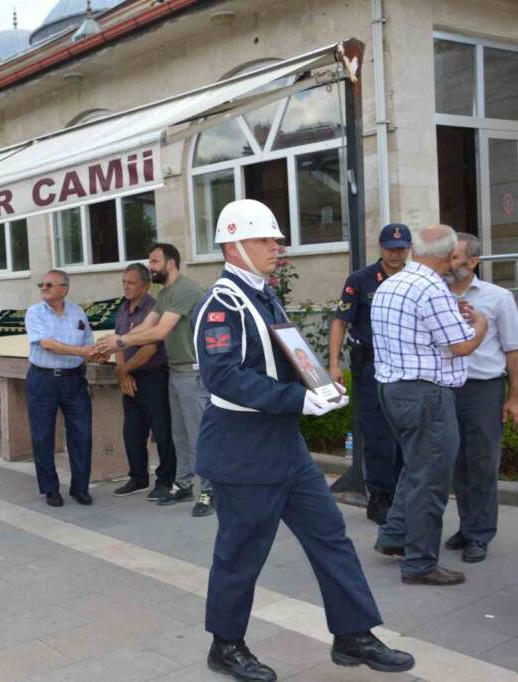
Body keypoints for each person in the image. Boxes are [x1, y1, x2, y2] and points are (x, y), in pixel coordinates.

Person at [193, 200, 413, 680]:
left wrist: (318, 384)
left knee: (330, 535)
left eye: (276, 240)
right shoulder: (221, 305)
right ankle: (225, 645)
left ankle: (353, 633)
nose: (277, 247)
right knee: (241, 551)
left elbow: (285, 349)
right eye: (266, 240)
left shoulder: (261, 294)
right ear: (234, 246)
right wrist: (298, 400)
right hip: (242, 446)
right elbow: (224, 378)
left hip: (282, 444)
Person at [371, 225, 487, 586]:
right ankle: (420, 563)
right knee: (430, 481)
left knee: (415, 468)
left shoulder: (392, 283)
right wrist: (480, 324)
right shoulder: (431, 288)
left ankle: (394, 537)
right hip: (426, 396)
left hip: (393, 390)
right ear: (447, 254)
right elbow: (462, 346)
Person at [95, 243, 212, 516]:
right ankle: (183, 484)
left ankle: (210, 491)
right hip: (176, 371)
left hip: (192, 373)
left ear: (171, 263)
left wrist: (120, 340)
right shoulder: (166, 293)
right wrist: (113, 345)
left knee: (199, 437)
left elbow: (160, 332)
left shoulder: (184, 288)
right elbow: (148, 325)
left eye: (155, 261)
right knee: (179, 435)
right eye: (150, 261)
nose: (151, 266)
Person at [442, 233, 518, 563]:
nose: (448, 263)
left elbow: (513, 348)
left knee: (483, 460)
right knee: (456, 459)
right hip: (447, 387)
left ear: (472, 262)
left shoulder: (498, 298)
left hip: (484, 388)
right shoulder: (437, 295)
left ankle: (481, 533)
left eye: (454, 257)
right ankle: (467, 525)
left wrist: (513, 396)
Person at [329, 223, 411, 524]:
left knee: (405, 431)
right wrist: (335, 365)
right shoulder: (360, 280)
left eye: (400, 249)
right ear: (380, 247)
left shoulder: (415, 279)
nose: (394, 255)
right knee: (376, 434)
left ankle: (402, 494)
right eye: (390, 248)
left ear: (409, 250)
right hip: (371, 367)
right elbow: (340, 322)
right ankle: (379, 496)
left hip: (406, 367)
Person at [25, 269, 95, 507]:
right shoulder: (35, 313)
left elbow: (89, 344)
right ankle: (50, 489)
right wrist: (80, 352)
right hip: (43, 380)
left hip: (74, 380)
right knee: (42, 436)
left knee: (82, 435)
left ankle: (81, 488)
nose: (43, 288)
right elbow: (46, 344)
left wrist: (99, 353)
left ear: (63, 289)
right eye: (41, 284)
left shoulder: (78, 312)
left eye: (48, 285)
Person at [108, 263, 176, 501]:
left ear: (146, 286)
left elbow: (150, 348)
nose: (125, 286)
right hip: (130, 377)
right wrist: (123, 373)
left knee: (162, 432)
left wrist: (124, 369)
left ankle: (166, 480)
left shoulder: (154, 309)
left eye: (131, 282)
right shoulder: (123, 309)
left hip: (153, 377)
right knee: (132, 431)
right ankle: (138, 478)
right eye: (124, 282)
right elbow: (118, 342)